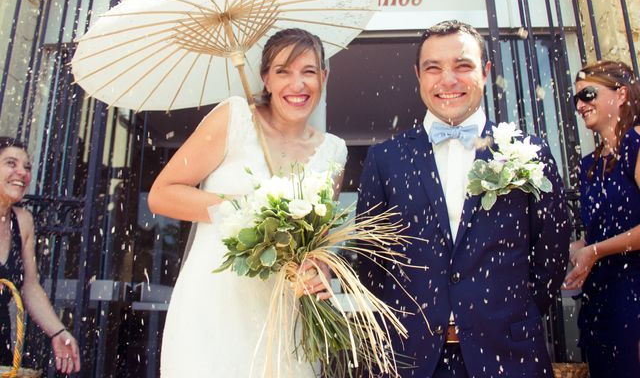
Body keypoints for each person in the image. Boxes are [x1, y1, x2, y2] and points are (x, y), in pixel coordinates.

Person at [357, 20, 570, 377]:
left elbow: (551, 253)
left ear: (485, 71)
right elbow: (369, 262)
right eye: (434, 68)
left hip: (509, 355)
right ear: (418, 75)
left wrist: (508, 314)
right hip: (412, 358)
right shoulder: (385, 159)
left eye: (463, 65)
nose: (448, 80)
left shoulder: (528, 151)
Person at [148, 28, 347, 377]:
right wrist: (248, 208)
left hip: (283, 314)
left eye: (309, 72)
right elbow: (162, 194)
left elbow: (319, 244)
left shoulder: (333, 151)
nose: (296, 85)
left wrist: (320, 271)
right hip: (215, 305)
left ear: (324, 77)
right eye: (283, 71)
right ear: (265, 78)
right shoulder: (234, 118)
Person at [563, 60, 640, 377]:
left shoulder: (637, 144)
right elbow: (598, 231)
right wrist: (576, 247)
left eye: (588, 94)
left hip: (634, 293)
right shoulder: (589, 164)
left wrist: (594, 251)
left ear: (620, 94)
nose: (581, 105)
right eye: (576, 99)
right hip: (600, 298)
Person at [0, 137, 81, 375]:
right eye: (11, 163)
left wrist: (58, 331)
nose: (21, 172)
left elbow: (29, 286)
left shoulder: (23, 221)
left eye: (26, 167)